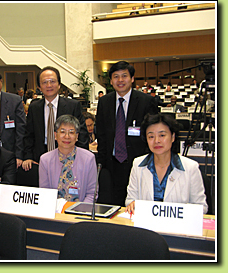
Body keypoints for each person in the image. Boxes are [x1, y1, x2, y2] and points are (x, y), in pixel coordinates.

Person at [96, 61, 158, 206]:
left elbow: (153, 132)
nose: (120, 80)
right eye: (116, 77)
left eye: (124, 76)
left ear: (132, 78)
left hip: (138, 164)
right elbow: (101, 134)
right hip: (111, 164)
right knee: (114, 203)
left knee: (136, 203)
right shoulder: (104, 102)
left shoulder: (146, 101)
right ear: (111, 81)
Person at [125, 113, 208, 214]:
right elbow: (130, 200)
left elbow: (201, 207)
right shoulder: (138, 164)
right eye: (151, 136)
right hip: (146, 227)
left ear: (173, 137)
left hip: (178, 228)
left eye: (162, 135)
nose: (156, 141)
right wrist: (132, 204)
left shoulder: (191, 167)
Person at [22, 66, 89, 171]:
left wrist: (81, 158)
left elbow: (82, 135)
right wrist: (28, 157)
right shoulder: (34, 107)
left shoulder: (73, 106)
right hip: (40, 158)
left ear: (59, 85)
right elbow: (29, 135)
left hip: (68, 156)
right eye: (44, 82)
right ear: (39, 87)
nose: (49, 85)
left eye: (52, 81)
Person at [39, 115, 97, 202]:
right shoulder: (45, 160)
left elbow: (92, 194)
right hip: (55, 212)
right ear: (55, 135)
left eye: (71, 132)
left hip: (81, 212)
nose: (67, 136)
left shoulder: (88, 158)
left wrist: (80, 212)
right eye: (62, 132)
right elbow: (45, 193)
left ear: (77, 136)